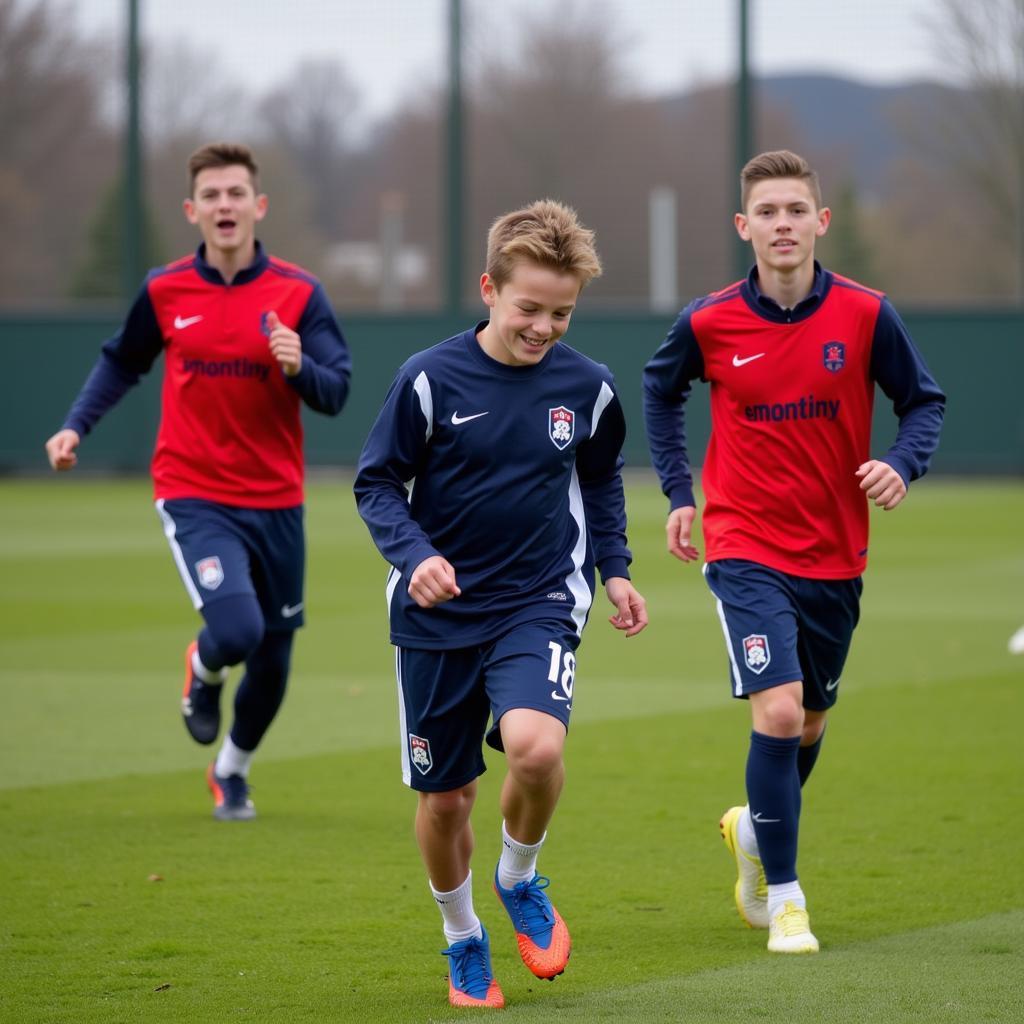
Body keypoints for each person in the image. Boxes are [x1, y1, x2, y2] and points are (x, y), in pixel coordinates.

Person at [643, 150, 945, 954]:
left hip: (837, 554)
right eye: (767, 212)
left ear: (821, 221)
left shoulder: (867, 313)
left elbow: (923, 403)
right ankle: (786, 899)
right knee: (776, 710)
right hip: (742, 541)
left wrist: (902, 464)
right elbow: (660, 392)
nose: (782, 224)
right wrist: (680, 493)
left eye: (795, 210)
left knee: (806, 725)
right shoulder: (708, 320)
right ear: (745, 227)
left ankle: (752, 830)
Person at [354, 199, 647, 1009]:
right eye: (528, 308)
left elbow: (599, 481)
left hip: (538, 600)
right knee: (445, 799)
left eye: (562, 312)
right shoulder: (428, 378)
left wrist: (615, 569)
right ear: (489, 288)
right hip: (436, 616)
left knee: (537, 751)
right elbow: (377, 482)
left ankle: (519, 874)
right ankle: (462, 939)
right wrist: (415, 558)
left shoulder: (587, 386)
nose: (544, 326)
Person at [45, 142, 352, 821]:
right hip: (194, 491)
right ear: (192, 211)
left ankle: (231, 772)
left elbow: (337, 392)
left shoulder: (300, 294)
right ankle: (204, 669)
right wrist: (75, 427)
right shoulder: (166, 290)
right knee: (237, 630)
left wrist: (300, 365)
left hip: (277, 501)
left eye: (236, 193)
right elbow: (121, 363)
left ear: (258, 206)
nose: (224, 205)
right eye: (211, 195)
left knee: (273, 662)